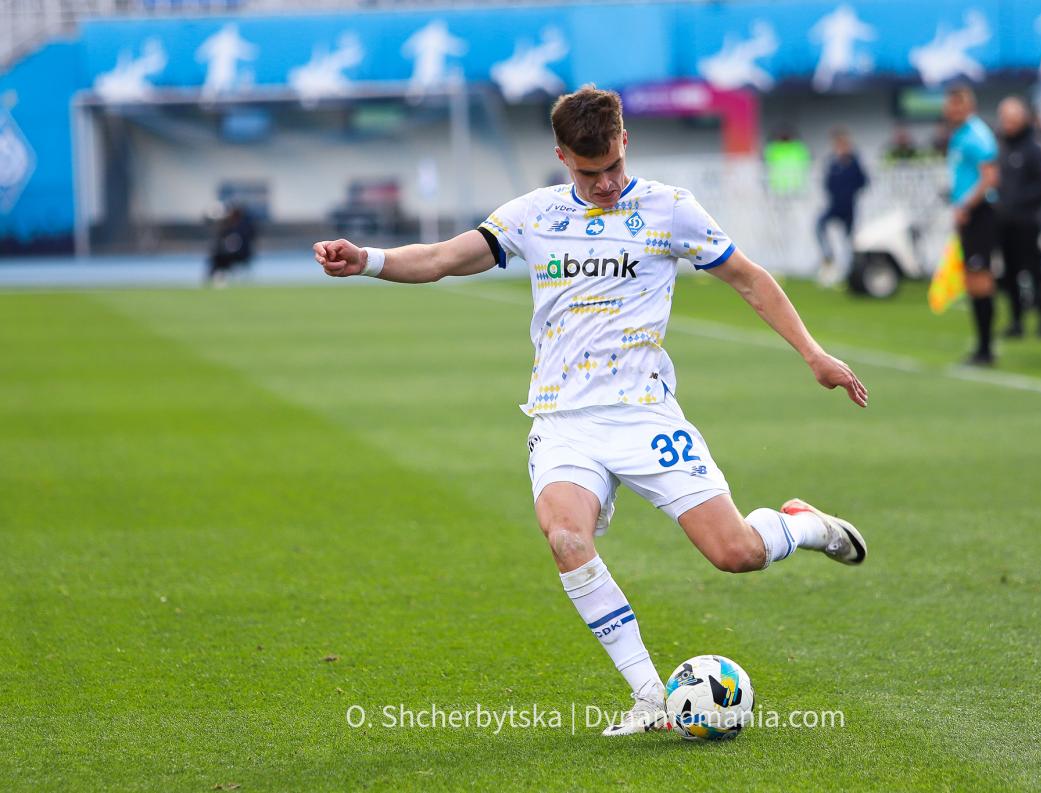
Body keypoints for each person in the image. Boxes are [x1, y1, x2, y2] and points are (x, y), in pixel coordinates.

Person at [312, 86, 870, 736]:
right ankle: (649, 696)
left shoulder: (669, 209)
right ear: (561, 157)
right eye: (588, 172)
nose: (604, 183)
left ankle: (802, 525)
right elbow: (440, 258)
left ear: (624, 141)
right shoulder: (534, 214)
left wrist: (814, 354)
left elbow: (748, 277)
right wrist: (368, 260)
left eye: (612, 166)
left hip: (645, 416)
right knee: (566, 539)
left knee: (736, 554)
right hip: (563, 422)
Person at [944, 84, 1000, 365]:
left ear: (969, 106)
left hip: (980, 214)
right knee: (972, 280)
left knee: (980, 279)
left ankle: (986, 348)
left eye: (959, 104)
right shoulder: (959, 135)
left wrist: (967, 205)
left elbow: (989, 177)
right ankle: (981, 345)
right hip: (967, 214)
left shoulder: (977, 135)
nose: (954, 110)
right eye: (951, 104)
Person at [995, 97, 1041, 338]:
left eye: (1011, 119)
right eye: (1004, 119)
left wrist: (1019, 200)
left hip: (1028, 222)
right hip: (1005, 222)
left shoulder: (1034, 149)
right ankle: (1016, 321)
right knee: (1010, 273)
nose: (1007, 124)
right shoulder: (1000, 148)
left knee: (1035, 272)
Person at [816, 127, 868, 285]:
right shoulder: (832, 162)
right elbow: (827, 183)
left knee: (849, 240)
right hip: (835, 205)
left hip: (849, 207)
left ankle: (851, 269)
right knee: (819, 226)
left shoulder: (854, 162)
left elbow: (863, 181)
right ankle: (829, 257)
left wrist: (849, 192)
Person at [207, 204, 256, 287]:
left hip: (241, 254)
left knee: (220, 257)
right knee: (217, 257)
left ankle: (218, 277)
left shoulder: (243, 226)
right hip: (232, 254)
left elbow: (243, 242)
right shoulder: (228, 226)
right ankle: (216, 277)